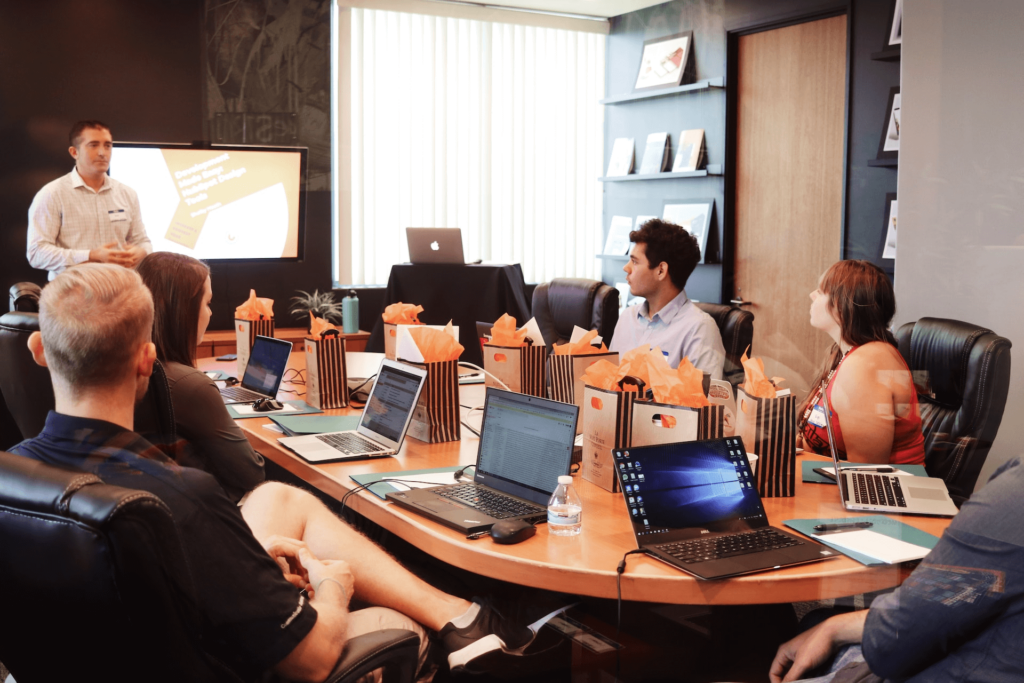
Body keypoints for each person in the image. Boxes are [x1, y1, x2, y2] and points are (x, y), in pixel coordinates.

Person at [10, 263, 534, 682]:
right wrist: (333, 585)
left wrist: (246, 564)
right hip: (239, 663)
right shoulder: (181, 497)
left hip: (104, 656)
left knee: (281, 499)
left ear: (38, 351)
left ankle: (460, 612)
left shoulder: (14, 475)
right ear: (146, 360)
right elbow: (308, 661)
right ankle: (458, 624)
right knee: (399, 629)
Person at [769, 456, 1024, 683]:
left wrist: (834, 630)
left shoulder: (1015, 496)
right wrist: (833, 627)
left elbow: (891, 648)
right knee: (816, 621)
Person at [136, 251, 264, 503]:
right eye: (207, 303)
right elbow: (252, 475)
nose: (211, 313)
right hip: (212, 513)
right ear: (182, 311)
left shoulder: (129, 369)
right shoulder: (190, 385)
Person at [798, 260, 925, 465]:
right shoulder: (846, 353)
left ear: (841, 306)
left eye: (821, 292)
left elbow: (866, 473)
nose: (812, 295)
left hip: (885, 491)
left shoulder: (866, 364)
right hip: (838, 480)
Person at [26, 120, 151, 280]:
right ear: (74, 152)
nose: (102, 152)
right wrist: (91, 256)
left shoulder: (127, 193)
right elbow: (36, 253)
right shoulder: (52, 194)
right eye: (93, 145)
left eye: (107, 145)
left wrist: (142, 251)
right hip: (73, 293)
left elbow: (142, 241)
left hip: (121, 290)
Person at [609, 218, 726, 379]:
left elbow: (705, 401)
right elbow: (606, 384)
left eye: (635, 262)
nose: (626, 268)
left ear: (661, 271)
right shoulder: (627, 318)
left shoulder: (699, 329)